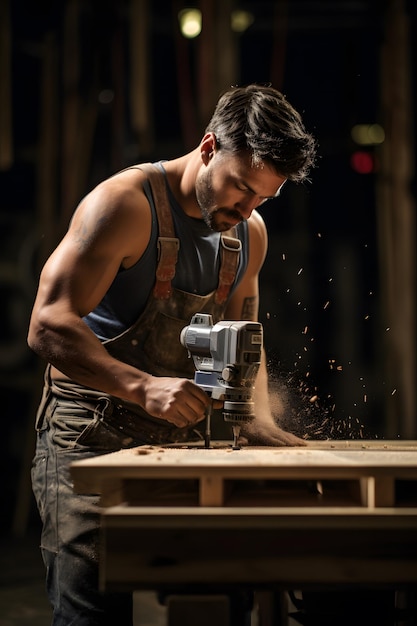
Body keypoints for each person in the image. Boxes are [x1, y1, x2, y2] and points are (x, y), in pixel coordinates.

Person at [28, 84, 316, 625]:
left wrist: (252, 417)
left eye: (263, 198)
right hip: (91, 437)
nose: (247, 207)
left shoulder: (248, 232)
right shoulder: (123, 206)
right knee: (92, 610)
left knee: (220, 598)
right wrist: (141, 386)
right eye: (240, 188)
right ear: (208, 147)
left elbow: (242, 337)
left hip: (181, 443)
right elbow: (47, 325)